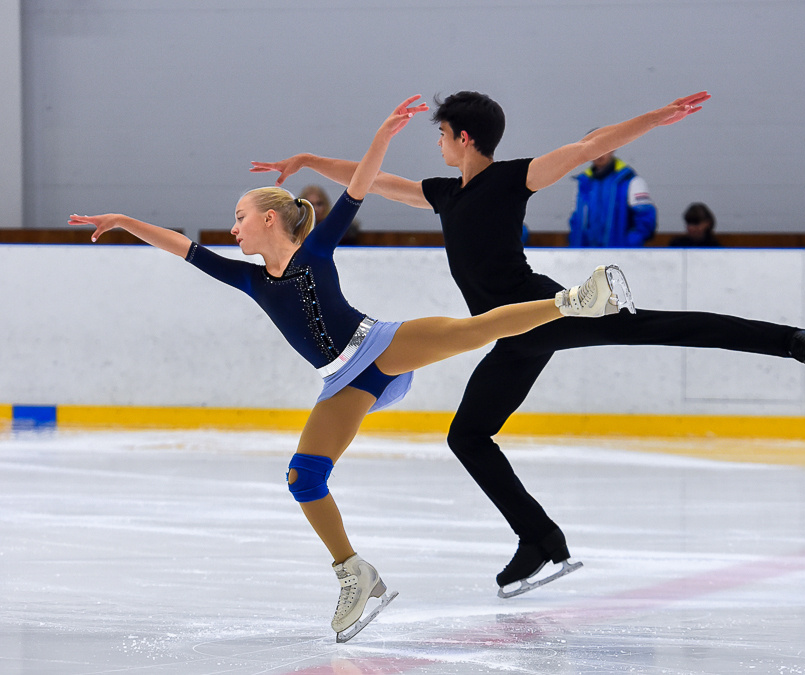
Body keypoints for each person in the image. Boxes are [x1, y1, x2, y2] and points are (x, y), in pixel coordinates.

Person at [67, 96, 633, 642]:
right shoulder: (248, 278)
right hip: (342, 381)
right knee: (303, 478)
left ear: (269, 218)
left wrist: (383, 136)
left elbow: (360, 187)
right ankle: (355, 575)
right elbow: (182, 248)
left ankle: (574, 301)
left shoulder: (315, 252)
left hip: (380, 345)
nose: (232, 229)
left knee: (471, 330)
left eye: (239, 218)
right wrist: (125, 220)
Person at [249, 89, 805, 597]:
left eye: (443, 137)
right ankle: (539, 538)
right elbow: (371, 181)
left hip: (546, 311)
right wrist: (304, 160)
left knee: (661, 325)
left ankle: (790, 341)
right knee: (468, 437)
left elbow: (586, 149)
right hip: (509, 334)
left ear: (465, 137)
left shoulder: (513, 178)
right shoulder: (445, 194)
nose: (438, 146)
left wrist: (654, 119)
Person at [569, 151, 657, 247]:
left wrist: (628, 245)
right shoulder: (583, 183)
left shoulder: (631, 181)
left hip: (620, 255)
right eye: (593, 149)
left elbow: (645, 219)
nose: (599, 154)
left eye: (604, 148)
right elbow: (576, 220)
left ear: (612, 148)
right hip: (586, 255)